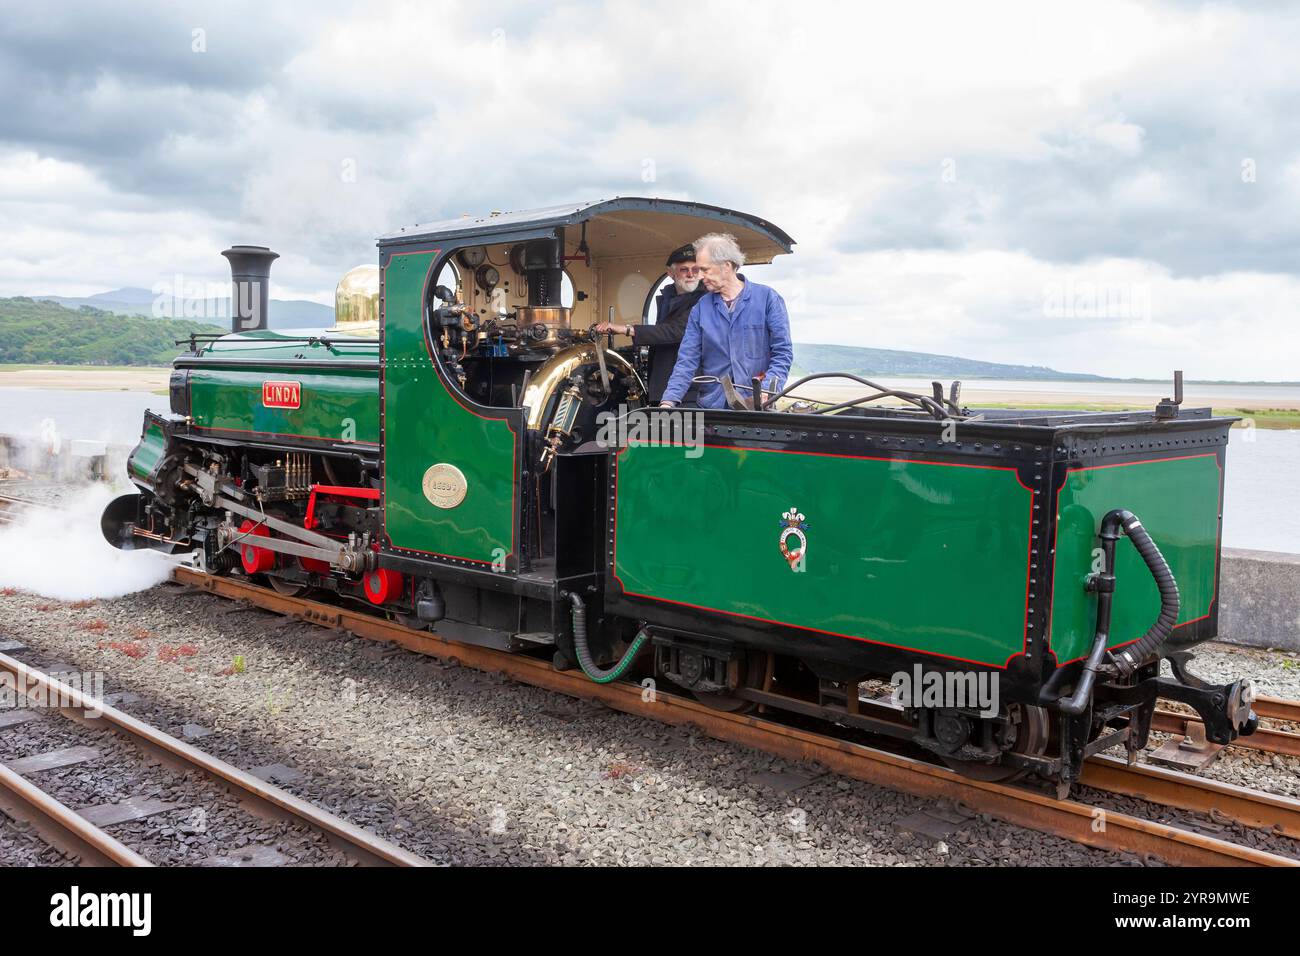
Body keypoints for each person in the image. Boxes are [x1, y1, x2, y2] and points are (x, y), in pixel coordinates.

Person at [659, 232, 792, 409]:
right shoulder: (700, 308)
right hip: (713, 407)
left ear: (726, 266)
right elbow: (687, 360)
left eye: (705, 270)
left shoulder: (768, 299)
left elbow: (782, 353)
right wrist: (668, 401)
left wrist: (766, 392)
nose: (700, 276)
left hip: (758, 406)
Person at [594, 244, 705, 403]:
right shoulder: (667, 298)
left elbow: (676, 331)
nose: (691, 274)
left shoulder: (704, 300)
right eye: (684, 270)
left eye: (695, 270)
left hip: (690, 391)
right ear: (670, 273)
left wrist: (625, 329)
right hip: (662, 385)